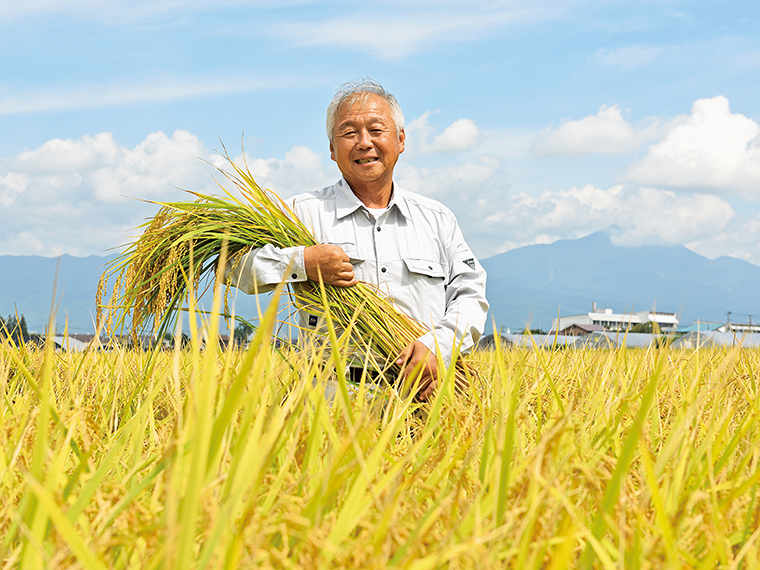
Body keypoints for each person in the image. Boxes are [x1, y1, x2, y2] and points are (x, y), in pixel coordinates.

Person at [227, 79, 488, 400]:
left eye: (376, 130)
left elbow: (471, 293)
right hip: (334, 398)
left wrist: (438, 346)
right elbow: (234, 266)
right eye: (349, 133)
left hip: (426, 394)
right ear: (333, 150)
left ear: (401, 140)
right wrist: (302, 264)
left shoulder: (436, 219)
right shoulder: (300, 213)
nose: (364, 143)